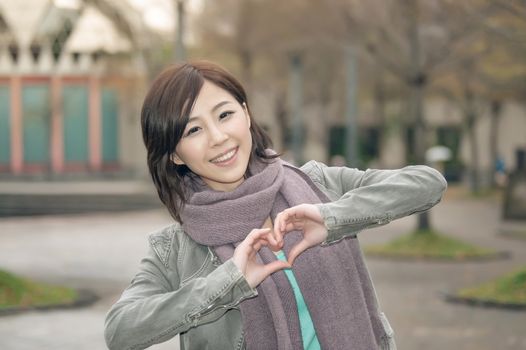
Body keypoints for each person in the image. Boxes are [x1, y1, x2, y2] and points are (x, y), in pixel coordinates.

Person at [104, 61, 447, 350]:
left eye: (224, 115)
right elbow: (120, 331)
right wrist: (229, 282)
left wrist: (332, 218)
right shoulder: (174, 250)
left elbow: (426, 184)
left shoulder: (316, 183)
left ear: (246, 114)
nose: (218, 137)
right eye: (193, 130)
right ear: (175, 154)